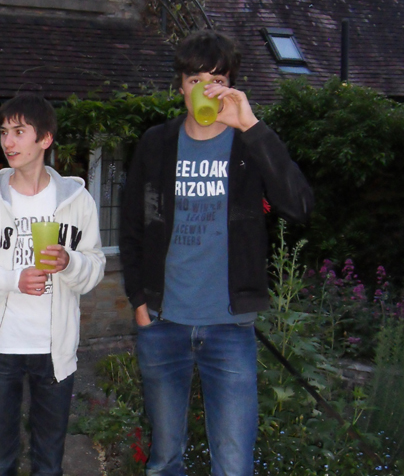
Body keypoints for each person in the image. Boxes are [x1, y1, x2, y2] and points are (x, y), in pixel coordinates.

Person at [119, 30, 314, 476]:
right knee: (164, 460)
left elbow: (299, 206)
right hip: (163, 323)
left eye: (217, 81)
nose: (205, 91)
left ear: (231, 87)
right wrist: (140, 303)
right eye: (195, 81)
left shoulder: (248, 145)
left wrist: (252, 126)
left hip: (229, 328)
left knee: (234, 465)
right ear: (180, 87)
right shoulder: (156, 144)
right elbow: (131, 229)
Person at [0, 93, 105, 476]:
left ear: (45, 139)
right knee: (0, 463)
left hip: (54, 351)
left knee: (48, 464)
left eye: (19, 132)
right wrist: (12, 280)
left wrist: (70, 263)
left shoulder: (78, 202)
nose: (8, 142)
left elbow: (95, 268)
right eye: (4, 132)